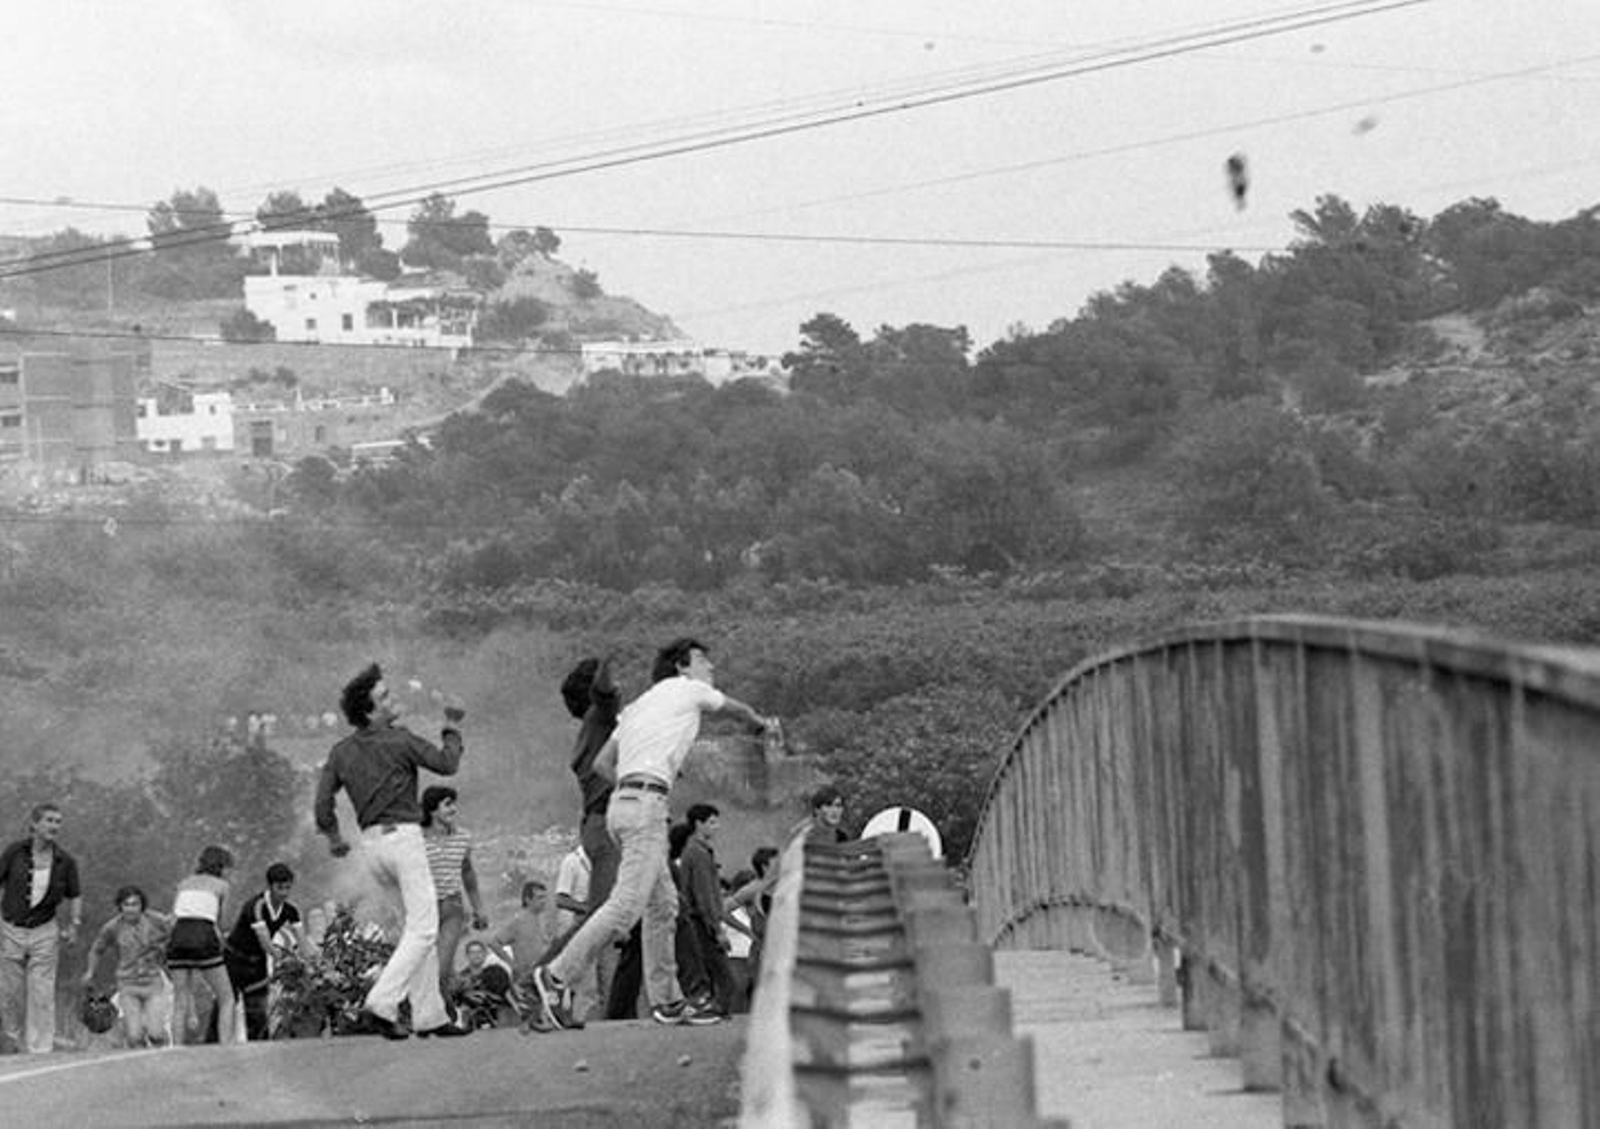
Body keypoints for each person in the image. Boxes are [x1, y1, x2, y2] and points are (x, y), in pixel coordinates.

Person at [530, 637, 777, 1031]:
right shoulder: (688, 689)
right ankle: (556, 975)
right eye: (702, 661)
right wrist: (762, 724)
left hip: (625, 804)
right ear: (682, 667)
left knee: (663, 906)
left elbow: (602, 763)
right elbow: (739, 711)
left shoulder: (637, 707)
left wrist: (635, 786)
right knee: (625, 906)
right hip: (644, 806)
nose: (709, 668)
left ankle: (667, 1000)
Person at [313, 661, 469, 1040]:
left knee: (416, 930)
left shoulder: (341, 752)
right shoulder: (401, 740)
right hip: (405, 840)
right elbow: (447, 765)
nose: (392, 698)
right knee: (425, 927)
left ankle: (429, 1014)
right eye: (384, 696)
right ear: (369, 711)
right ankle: (381, 1002)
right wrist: (452, 724)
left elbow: (322, 805)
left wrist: (334, 837)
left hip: (372, 847)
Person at [558, 655, 623, 1008]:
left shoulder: (593, 731)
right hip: (607, 824)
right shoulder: (599, 720)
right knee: (600, 919)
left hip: (603, 825)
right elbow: (606, 691)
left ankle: (628, 1003)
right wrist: (607, 654)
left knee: (653, 908)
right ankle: (545, 979)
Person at [0, 801, 83, 1054]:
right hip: (11, 928)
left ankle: (40, 1049)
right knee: (11, 992)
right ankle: (12, 1040)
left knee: (42, 991)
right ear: (34, 824)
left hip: (45, 930)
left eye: (58, 822)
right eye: (49, 820)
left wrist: (74, 924)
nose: (54, 826)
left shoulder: (65, 861)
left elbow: (75, 894)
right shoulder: (14, 852)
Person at [82, 886, 172, 1048]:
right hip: (128, 984)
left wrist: (165, 950)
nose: (131, 909)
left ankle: (167, 1055)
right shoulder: (112, 927)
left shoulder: (156, 920)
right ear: (120, 907)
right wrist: (90, 972)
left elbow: (174, 932)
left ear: (142, 906)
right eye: (126, 905)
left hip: (152, 983)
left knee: (156, 1033)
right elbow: (97, 949)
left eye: (135, 904)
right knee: (134, 1037)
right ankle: (141, 1069)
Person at [166, 845, 236, 1047]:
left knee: (180, 1000)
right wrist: (223, 943)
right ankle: (226, 1047)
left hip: (178, 936)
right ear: (222, 867)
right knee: (226, 997)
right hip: (203, 934)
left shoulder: (184, 883)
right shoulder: (221, 886)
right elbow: (220, 921)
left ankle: (177, 1048)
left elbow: (175, 916)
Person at [421, 786, 486, 998]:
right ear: (432, 810)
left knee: (442, 965)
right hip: (423, 910)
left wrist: (479, 908)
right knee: (427, 967)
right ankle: (445, 1009)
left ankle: (442, 1011)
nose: (454, 809)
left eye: (454, 804)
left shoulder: (463, 838)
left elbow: (468, 873)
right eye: (448, 804)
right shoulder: (417, 840)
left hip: (452, 908)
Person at [224, 862, 301, 1042]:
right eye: (279, 888)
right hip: (233, 961)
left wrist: (312, 960)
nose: (284, 893)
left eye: (288, 888)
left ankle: (261, 1052)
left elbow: (303, 941)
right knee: (224, 1007)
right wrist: (281, 958)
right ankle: (212, 1050)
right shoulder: (255, 906)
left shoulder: (290, 910)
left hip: (256, 964)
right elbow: (264, 939)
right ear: (270, 886)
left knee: (258, 1014)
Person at [678, 803, 737, 1019]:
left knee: (714, 970)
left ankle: (716, 1009)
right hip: (701, 921)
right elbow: (704, 894)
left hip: (699, 919)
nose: (716, 827)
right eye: (711, 822)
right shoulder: (698, 853)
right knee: (722, 974)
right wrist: (716, 927)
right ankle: (713, 1010)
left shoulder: (698, 851)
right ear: (698, 824)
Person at [486, 879, 553, 992]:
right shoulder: (518, 921)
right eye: (540, 897)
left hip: (542, 978)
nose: (544, 901)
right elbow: (494, 943)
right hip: (525, 980)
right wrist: (512, 965)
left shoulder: (541, 920)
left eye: (545, 897)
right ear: (528, 900)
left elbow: (542, 948)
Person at [451, 940, 513, 1030]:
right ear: (467, 955)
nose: (476, 955)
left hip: (498, 1019)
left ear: (485, 954)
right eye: (472, 952)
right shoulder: (462, 977)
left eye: (479, 952)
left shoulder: (496, 973)